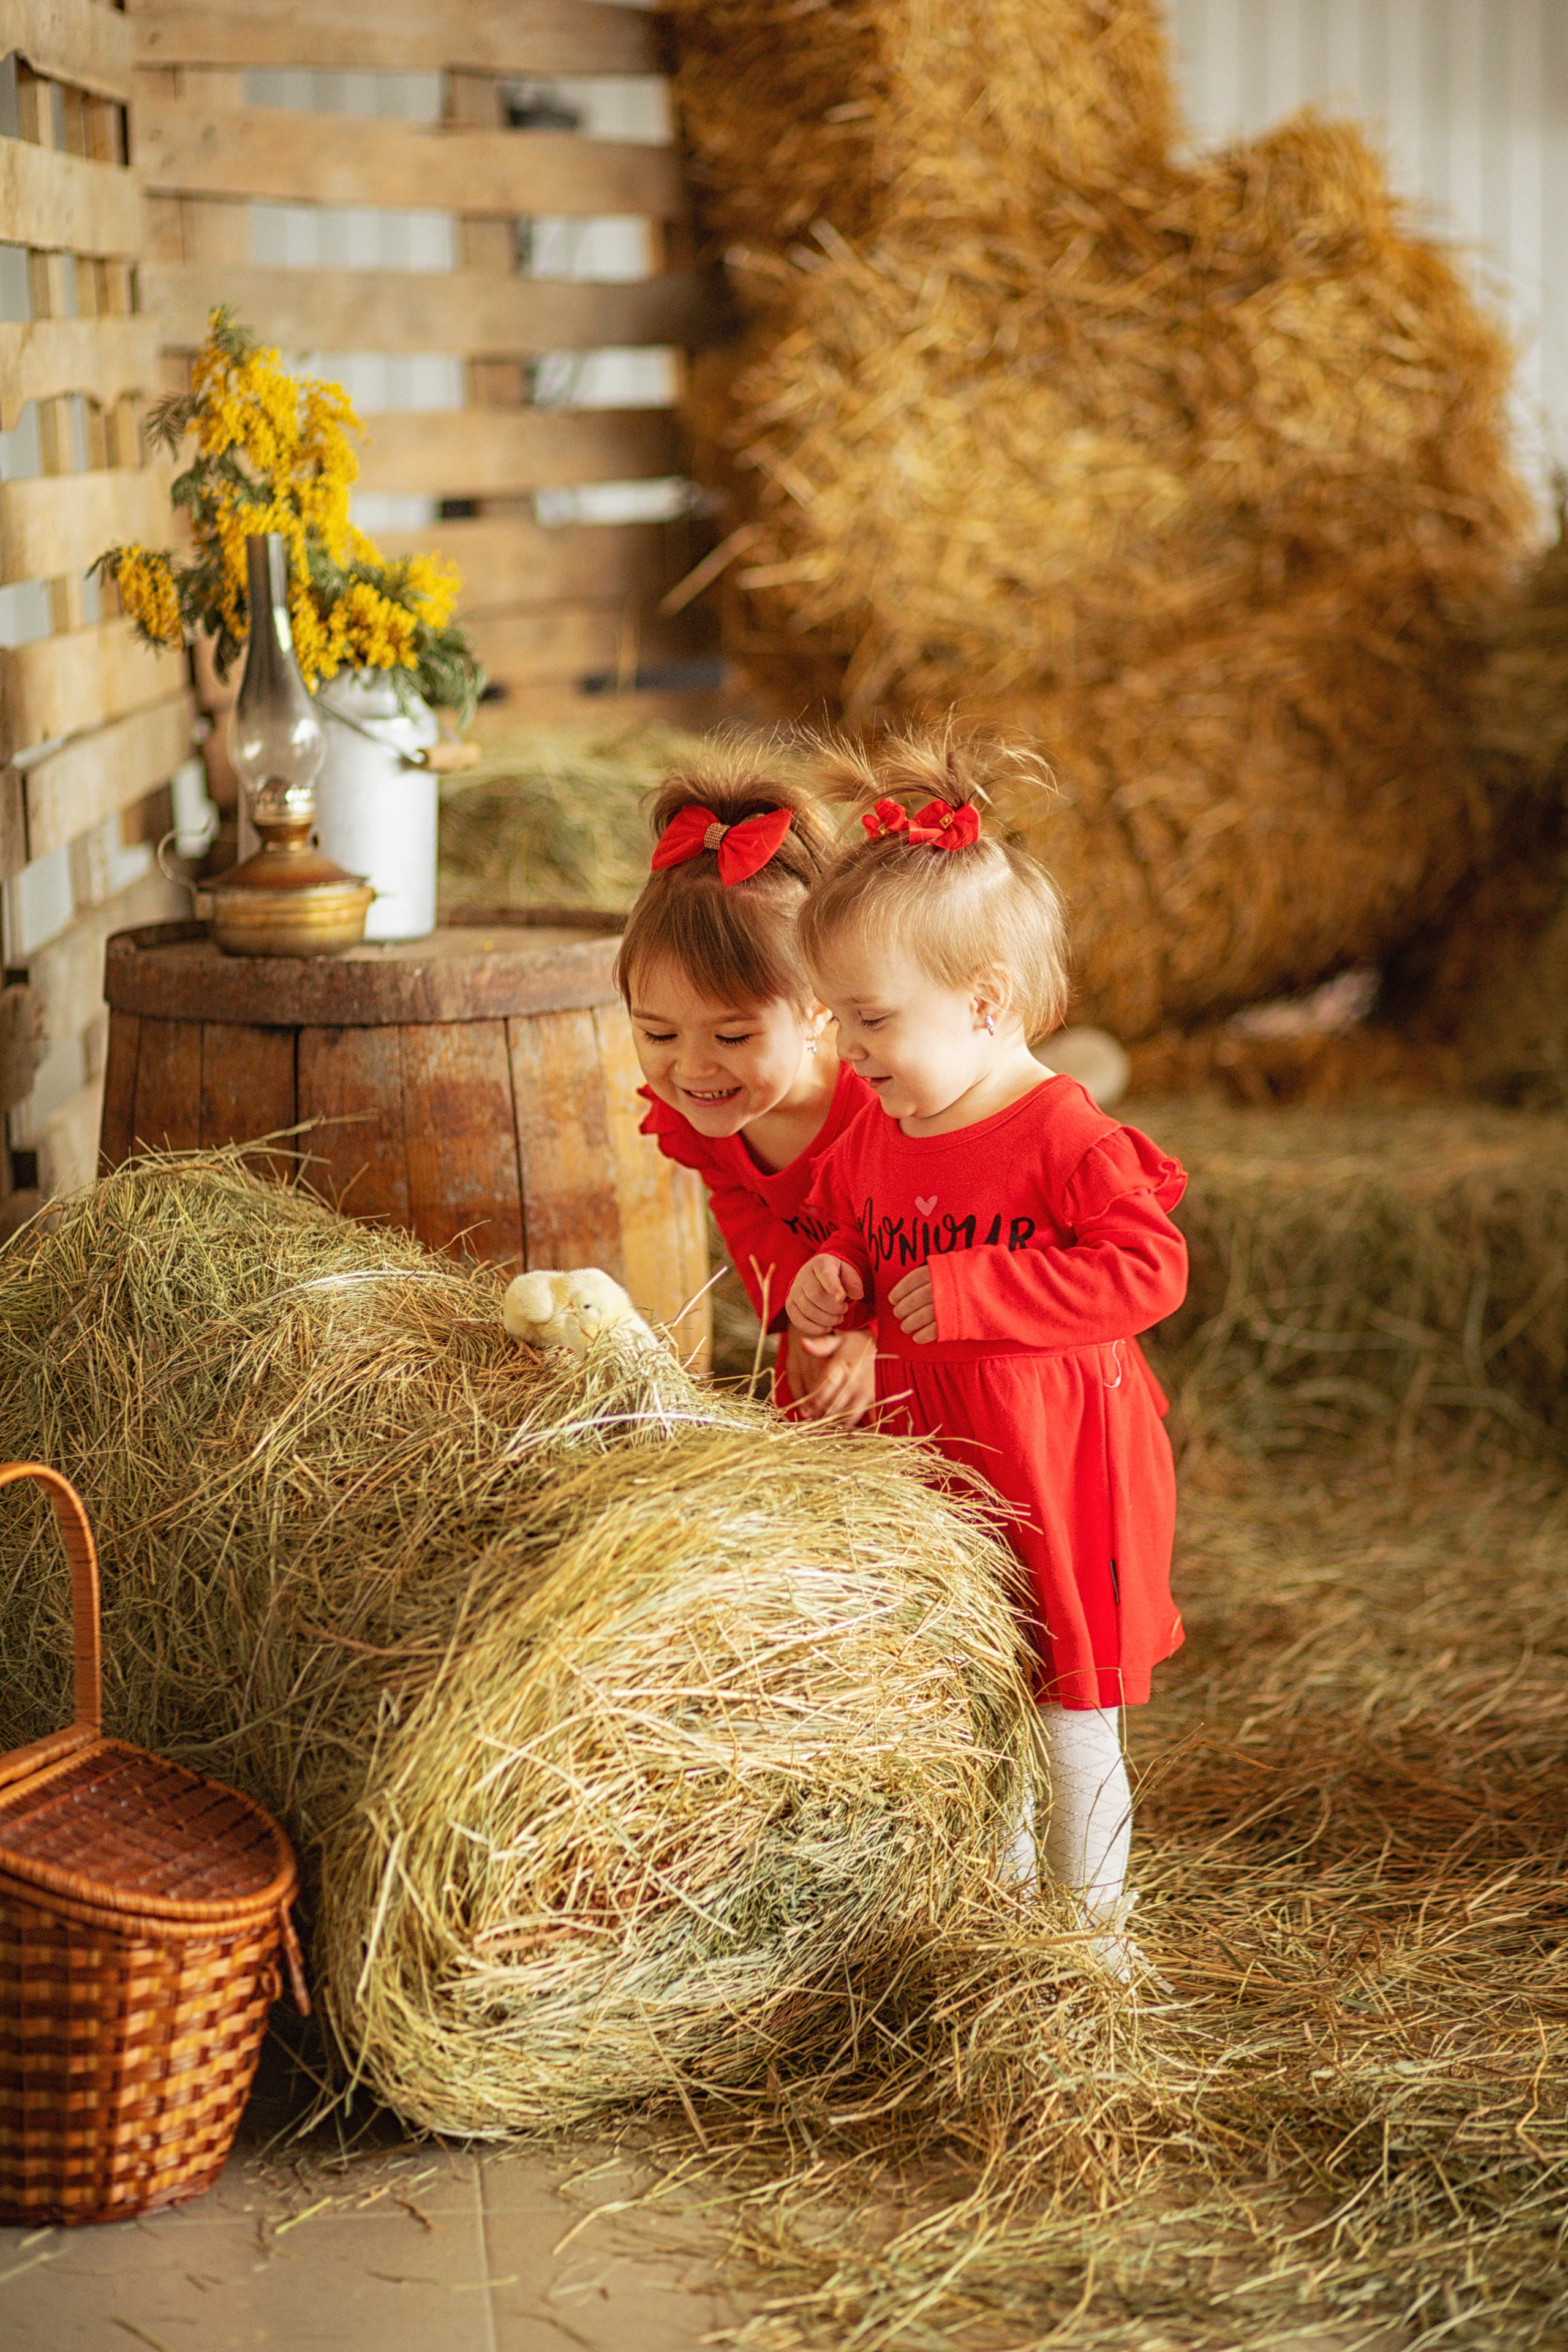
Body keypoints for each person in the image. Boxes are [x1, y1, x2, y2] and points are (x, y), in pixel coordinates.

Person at [785, 729, 1189, 1950]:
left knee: (1068, 1711)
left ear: (984, 1005)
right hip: (942, 1463)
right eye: (837, 1025)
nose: (849, 1055)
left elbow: (1147, 1269)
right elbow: (863, 1234)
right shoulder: (882, 1127)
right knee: (974, 1687)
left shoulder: (1063, 1133)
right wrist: (832, 1282)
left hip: (1057, 1471)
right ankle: (1002, 1914)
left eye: (867, 1021)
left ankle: (1092, 1943)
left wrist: (979, 1296)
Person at [617, 745, 878, 1423]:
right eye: (658, 1034)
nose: (694, 1070)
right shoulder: (702, 1118)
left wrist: (875, 1342)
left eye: (732, 1037)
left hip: (929, 1350)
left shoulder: (886, 1106)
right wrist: (804, 1321)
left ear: (820, 1004)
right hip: (826, 1347)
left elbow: (949, 1240)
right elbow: (749, 1215)